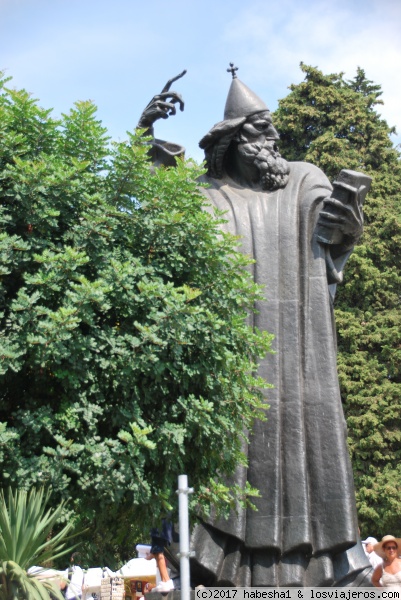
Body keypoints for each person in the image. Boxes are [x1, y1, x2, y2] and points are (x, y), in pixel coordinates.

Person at [138, 66, 372, 587]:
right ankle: (228, 570)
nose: (272, 141)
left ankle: (324, 569)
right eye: (260, 130)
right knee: (236, 452)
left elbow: (334, 229)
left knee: (315, 447)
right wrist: (142, 138)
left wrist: (346, 226)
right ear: (233, 142)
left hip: (302, 354)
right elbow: (159, 210)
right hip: (236, 362)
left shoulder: (304, 178)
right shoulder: (206, 196)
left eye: (272, 129)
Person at [143, 520, 175, 593]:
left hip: (159, 530)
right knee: (157, 552)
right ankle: (166, 580)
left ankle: (166, 580)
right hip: (163, 530)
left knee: (158, 553)